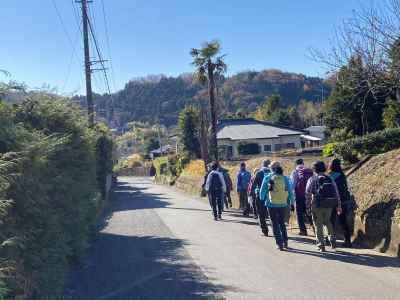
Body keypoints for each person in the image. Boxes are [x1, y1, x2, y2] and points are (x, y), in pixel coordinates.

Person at [306, 161, 342, 252]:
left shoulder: (312, 179)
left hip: (316, 204)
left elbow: (308, 194)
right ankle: (332, 239)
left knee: (318, 225)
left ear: (314, 169)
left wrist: (307, 207)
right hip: (329, 204)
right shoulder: (329, 178)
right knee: (327, 222)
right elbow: (336, 192)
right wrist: (338, 205)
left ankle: (321, 244)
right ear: (324, 168)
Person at [260, 161, 294, 250]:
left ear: (271, 168)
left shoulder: (268, 177)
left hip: (271, 204)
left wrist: (262, 198)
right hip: (283, 203)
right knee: (282, 223)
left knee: (274, 223)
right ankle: (285, 241)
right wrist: (292, 202)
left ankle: (279, 243)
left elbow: (262, 191)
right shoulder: (285, 178)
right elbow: (290, 191)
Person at [329, 158, 354, 248]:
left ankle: (331, 240)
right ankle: (348, 241)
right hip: (344, 201)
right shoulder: (342, 175)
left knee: (330, 221)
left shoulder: (330, 175)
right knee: (343, 221)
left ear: (331, 165)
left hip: (332, 201)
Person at [291, 158, 314, 236]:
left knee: (299, 213)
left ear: (296, 164)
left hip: (299, 195)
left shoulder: (295, 172)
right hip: (309, 195)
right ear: (303, 163)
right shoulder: (308, 171)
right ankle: (315, 229)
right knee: (309, 212)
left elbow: (293, 185)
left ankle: (303, 231)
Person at [251, 160, 271, 236]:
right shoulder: (272, 172)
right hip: (271, 196)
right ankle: (276, 230)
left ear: (262, 165)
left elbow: (253, 184)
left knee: (261, 214)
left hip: (260, 196)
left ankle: (265, 230)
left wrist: (251, 194)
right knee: (272, 214)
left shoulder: (259, 173)